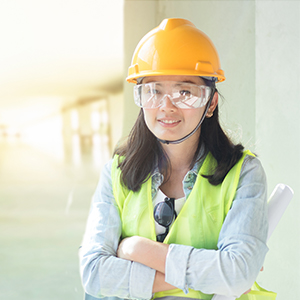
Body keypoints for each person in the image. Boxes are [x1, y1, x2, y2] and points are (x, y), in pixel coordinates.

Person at [79, 18, 269, 300]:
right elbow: (93, 274)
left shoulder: (243, 174)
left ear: (210, 103)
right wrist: (211, 274)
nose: (166, 107)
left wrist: (136, 250)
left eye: (185, 92)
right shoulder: (116, 173)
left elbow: (237, 274)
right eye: (154, 91)